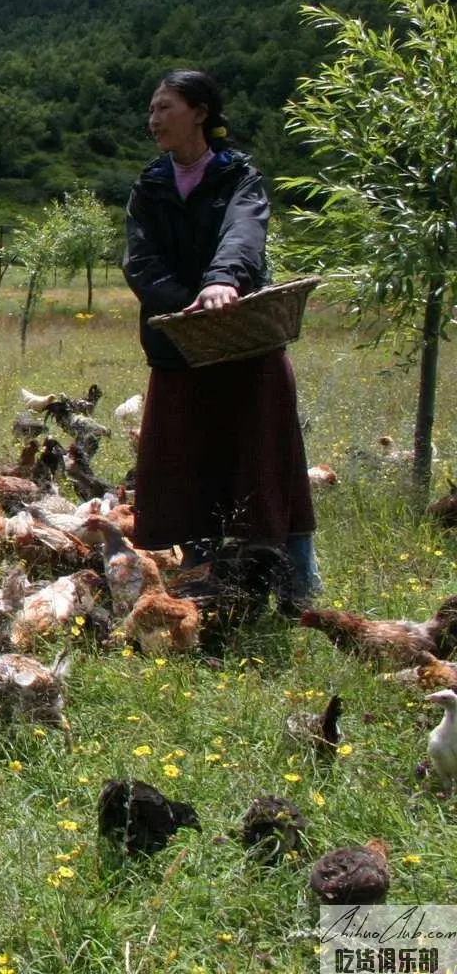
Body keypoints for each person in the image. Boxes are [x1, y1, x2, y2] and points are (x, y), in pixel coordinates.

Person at [121, 69, 318, 609]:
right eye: (152, 109)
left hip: (243, 343)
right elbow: (139, 259)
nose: (153, 118)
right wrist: (186, 302)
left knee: (265, 461)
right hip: (180, 348)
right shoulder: (151, 185)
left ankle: (298, 592)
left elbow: (244, 231)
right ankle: (207, 590)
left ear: (201, 112)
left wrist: (221, 281)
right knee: (186, 469)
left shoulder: (239, 177)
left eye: (165, 107)